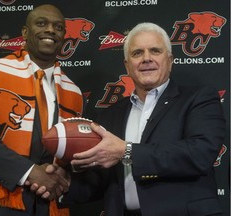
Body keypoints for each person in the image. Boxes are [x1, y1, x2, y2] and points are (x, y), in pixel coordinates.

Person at [58, 22, 226, 216]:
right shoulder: (112, 113)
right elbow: (103, 181)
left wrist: (127, 151)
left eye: (155, 51)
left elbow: (200, 154)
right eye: (137, 53)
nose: (146, 58)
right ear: (127, 66)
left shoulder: (199, 98)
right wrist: (65, 183)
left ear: (170, 60)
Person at [0, 4, 83, 216]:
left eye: (58, 27)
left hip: (47, 205)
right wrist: (28, 172)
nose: (50, 30)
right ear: (25, 32)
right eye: (41, 23)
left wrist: (62, 174)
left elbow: (72, 151)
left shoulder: (73, 92)